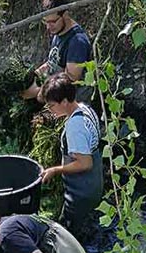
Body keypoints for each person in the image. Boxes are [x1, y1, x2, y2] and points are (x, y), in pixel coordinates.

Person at [39, 72, 104, 244]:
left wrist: (55, 170)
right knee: (88, 225)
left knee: (68, 235)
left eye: (52, 105)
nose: (50, 109)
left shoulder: (76, 127)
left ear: (65, 102)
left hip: (81, 192)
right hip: (94, 185)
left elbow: (85, 163)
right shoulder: (85, 109)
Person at [21, 0, 93, 102]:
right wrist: (34, 75)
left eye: (53, 21)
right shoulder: (58, 32)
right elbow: (52, 63)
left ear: (65, 15)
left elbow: (71, 78)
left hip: (73, 104)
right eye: (46, 22)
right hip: (57, 97)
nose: (49, 27)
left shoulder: (77, 41)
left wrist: (42, 91)